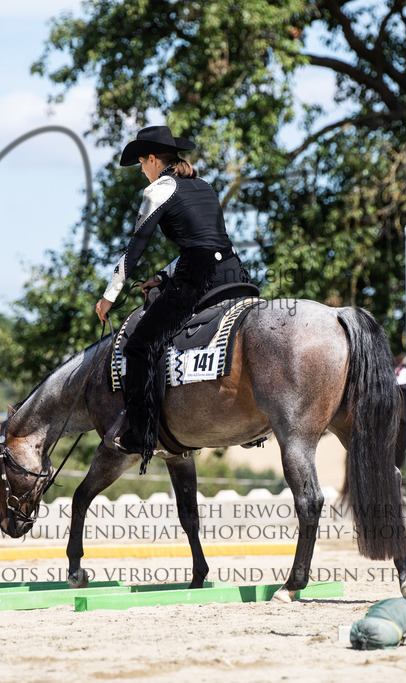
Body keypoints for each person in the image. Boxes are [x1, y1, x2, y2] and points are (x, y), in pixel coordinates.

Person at [95, 125, 246, 469]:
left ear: (151, 159)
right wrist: (163, 276)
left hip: (198, 277)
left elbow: (133, 251)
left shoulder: (158, 190)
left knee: (139, 346)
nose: (142, 172)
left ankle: (142, 433)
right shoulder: (205, 186)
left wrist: (109, 298)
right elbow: (209, 243)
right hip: (233, 271)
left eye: (141, 164)